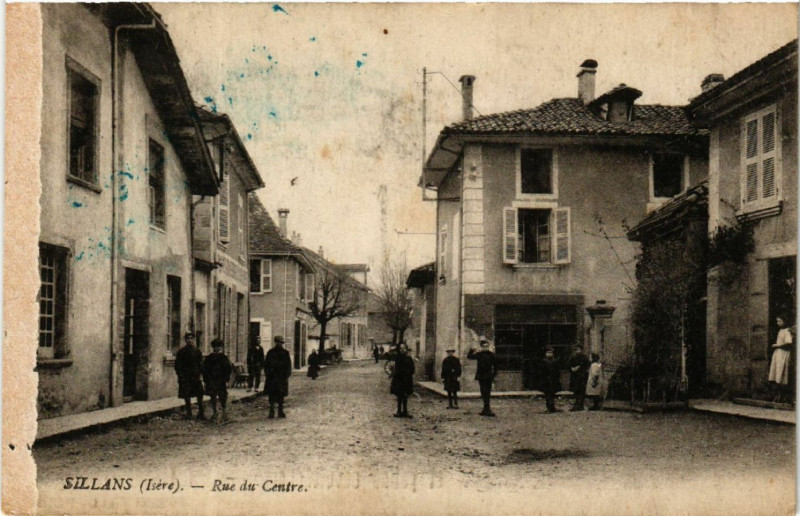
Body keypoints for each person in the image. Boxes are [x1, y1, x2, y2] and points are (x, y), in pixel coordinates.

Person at [174, 332, 205, 420]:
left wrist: (200, 375)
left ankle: (201, 413)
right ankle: (189, 413)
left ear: (193, 340)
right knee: (186, 395)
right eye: (188, 338)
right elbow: (177, 365)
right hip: (185, 377)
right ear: (185, 340)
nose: (189, 340)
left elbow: (201, 364)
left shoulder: (197, 351)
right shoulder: (181, 352)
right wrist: (180, 375)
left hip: (195, 376)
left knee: (199, 394)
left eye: (191, 338)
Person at [203, 339, 233, 422]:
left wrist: (227, 380)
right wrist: (206, 380)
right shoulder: (209, 358)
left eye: (219, 346)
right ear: (213, 347)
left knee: (223, 396)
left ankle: (224, 413)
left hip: (221, 380)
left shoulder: (224, 358)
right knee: (213, 395)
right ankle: (215, 412)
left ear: (221, 347)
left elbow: (228, 369)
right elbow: (205, 370)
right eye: (215, 346)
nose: (217, 348)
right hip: (212, 380)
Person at [468, 338, 498, 417]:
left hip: (488, 376)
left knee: (487, 393)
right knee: (483, 392)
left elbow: (496, 366)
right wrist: (472, 349)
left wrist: (493, 376)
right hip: (481, 376)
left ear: (488, 346)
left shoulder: (492, 355)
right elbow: (469, 357)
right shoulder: (479, 354)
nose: (485, 348)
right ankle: (485, 409)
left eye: (486, 346)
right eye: (484, 346)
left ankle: (488, 409)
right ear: (481, 347)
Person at [264, 336, 292, 418]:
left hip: (281, 377)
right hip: (272, 377)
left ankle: (280, 411)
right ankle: (271, 411)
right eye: (278, 342)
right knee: (271, 395)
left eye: (281, 342)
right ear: (275, 342)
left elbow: (288, 366)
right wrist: (268, 374)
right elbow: (266, 365)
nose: (279, 344)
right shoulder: (270, 352)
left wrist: (286, 375)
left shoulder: (285, 353)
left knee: (281, 395)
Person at [769, 316, 793, 402]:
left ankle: (782, 395)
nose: (778, 323)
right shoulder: (780, 331)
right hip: (778, 353)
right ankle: (776, 395)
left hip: (783, 353)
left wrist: (778, 345)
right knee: (775, 373)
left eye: (780, 321)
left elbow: (788, 343)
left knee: (781, 373)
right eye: (777, 321)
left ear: (785, 321)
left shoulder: (787, 331)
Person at [390, 342, 415, 418]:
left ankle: (405, 411)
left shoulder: (409, 358)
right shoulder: (397, 358)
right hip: (399, 379)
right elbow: (396, 369)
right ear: (399, 349)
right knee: (399, 395)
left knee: (405, 395)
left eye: (404, 348)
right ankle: (399, 411)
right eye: (400, 348)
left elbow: (412, 369)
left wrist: (408, 373)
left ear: (406, 349)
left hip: (407, 379)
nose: (402, 350)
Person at [568, 345, 591, 411]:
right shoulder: (572, 357)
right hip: (574, 376)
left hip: (582, 377)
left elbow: (587, 366)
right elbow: (568, 365)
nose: (577, 351)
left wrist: (581, 368)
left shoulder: (584, 358)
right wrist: (572, 368)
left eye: (578, 350)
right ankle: (576, 405)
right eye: (576, 350)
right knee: (575, 391)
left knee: (581, 391)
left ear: (581, 350)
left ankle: (580, 405)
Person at [542, 346, 562, 413]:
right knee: (547, 395)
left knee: (552, 395)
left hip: (553, 380)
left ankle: (551, 408)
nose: (549, 354)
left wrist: (556, 379)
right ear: (545, 354)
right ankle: (549, 407)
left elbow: (558, 372)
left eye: (550, 352)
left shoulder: (555, 361)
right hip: (546, 381)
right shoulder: (544, 361)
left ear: (553, 353)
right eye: (547, 352)